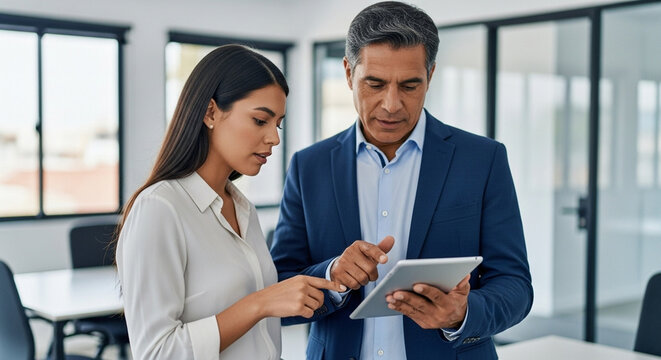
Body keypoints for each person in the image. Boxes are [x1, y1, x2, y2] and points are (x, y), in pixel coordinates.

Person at [270, 2, 533, 359]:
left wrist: (462, 313)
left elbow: (515, 285)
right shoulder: (308, 167)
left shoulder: (483, 160)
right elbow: (277, 291)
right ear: (348, 73)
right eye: (374, 84)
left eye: (410, 85)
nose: (392, 104)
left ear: (431, 75)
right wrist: (333, 275)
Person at [114, 44, 344, 360]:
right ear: (210, 112)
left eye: (278, 123)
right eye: (260, 120)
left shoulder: (241, 206)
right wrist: (259, 304)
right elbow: (157, 353)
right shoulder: (160, 208)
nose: (275, 138)